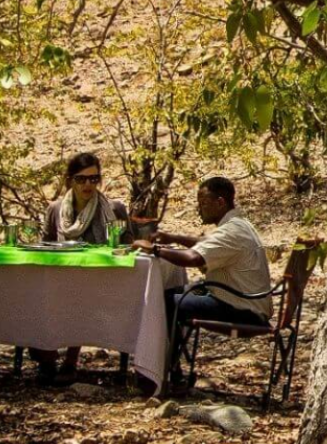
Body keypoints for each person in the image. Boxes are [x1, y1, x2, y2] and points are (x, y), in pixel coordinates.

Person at [34, 152, 130, 385]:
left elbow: (128, 245)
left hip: (102, 279)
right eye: (81, 179)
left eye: (93, 179)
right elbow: (44, 245)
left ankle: (70, 361)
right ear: (70, 180)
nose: (88, 184)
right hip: (62, 275)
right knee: (40, 296)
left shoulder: (113, 209)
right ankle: (46, 358)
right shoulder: (56, 209)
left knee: (78, 297)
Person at [134, 176, 273, 334]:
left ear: (220, 202)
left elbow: (194, 258)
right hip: (241, 301)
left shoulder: (232, 231)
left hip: (242, 310)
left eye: (204, 204)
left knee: (163, 302)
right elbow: (206, 243)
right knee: (170, 293)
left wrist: (154, 249)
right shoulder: (238, 223)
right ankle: (170, 347)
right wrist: (172, 238)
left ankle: (166, 350)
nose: (199, 209)